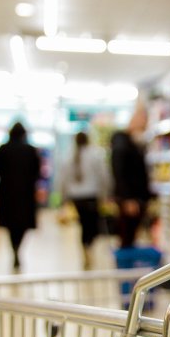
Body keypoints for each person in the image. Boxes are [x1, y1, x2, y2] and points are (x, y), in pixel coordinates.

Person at [56, 131, 111, 268]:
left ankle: (85, 248)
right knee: (92, 225)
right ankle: (89, 247)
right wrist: (106, 194)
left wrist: (63, 199)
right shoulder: (95, 155)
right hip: (92, 196)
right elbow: (104, 176)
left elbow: (63, 180)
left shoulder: (68, 156)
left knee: (83, 224)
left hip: (76, 198)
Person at [0, 122, 41, 270]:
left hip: (7, 194)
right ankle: (18, 248)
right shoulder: (30, 150)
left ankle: (15, 249)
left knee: (10, 225)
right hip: (26, 195)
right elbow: (37, 172)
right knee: (23, 225)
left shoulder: (3, 149)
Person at [110, 107, 152, 248]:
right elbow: (120, 172)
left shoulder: (131, 142)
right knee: (127, 234)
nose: (145, 125)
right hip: (130, 199)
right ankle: (125, 265)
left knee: (130, 235)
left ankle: (128, 261)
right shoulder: (122, 144)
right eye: (143, 120)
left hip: (135, 198)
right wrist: (127, 199)